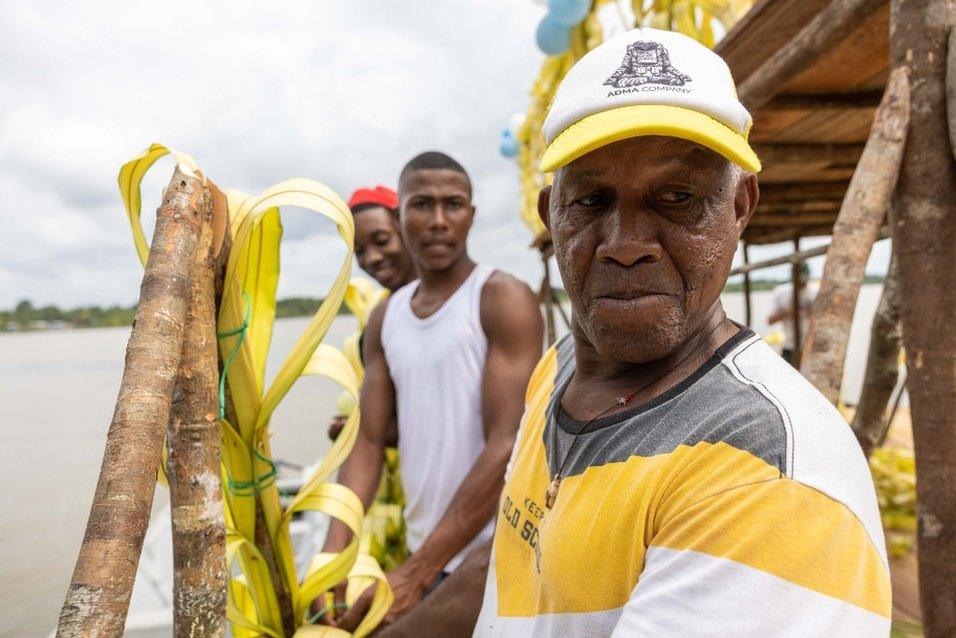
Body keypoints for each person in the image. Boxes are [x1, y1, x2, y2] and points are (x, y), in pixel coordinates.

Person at [381, 28, 890, 637]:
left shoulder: (766, 481)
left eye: (677, 197)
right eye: (593, 200)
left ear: (739, 208)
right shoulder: (561, 368)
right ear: (551, 215)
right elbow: (520, 561)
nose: (626, 246)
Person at [319, 152, 543, 630]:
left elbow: (507, 443)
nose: (439, 221)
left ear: (472, 215)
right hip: (428, 549)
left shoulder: (501, 298)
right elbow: (369, 440)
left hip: (493, 551)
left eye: (453, 205)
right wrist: (332, 553)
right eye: (422, 205)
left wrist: (417, 573)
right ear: (400, 217)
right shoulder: (387, 317)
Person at [766, 262, 819, 365]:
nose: (801, 284)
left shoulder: (815, 292)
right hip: (790, 348)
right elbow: (770, 320)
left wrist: (812, 313)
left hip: (811, 348)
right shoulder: (781, 292)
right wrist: (787, 311)